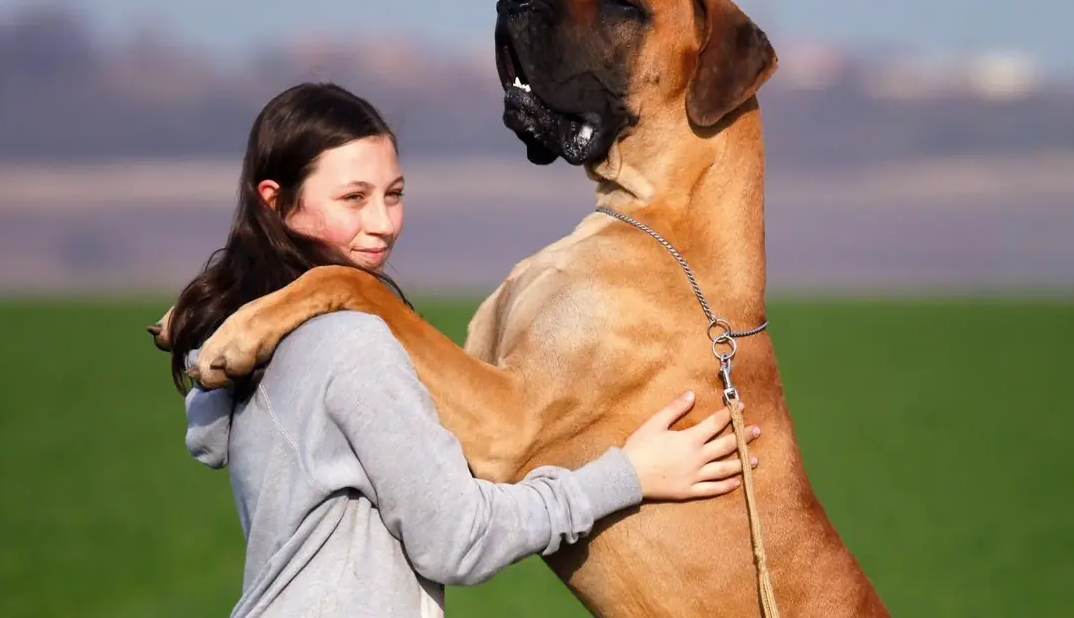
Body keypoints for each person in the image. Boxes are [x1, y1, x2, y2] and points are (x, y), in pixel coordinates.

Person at [165, 82, 761, 617]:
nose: (383, 223)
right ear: (276, 201)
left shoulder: (260, 346)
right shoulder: (348, 342)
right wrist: (629, 475)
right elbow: (459, 538)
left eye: (393, 194)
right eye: (353, 199)